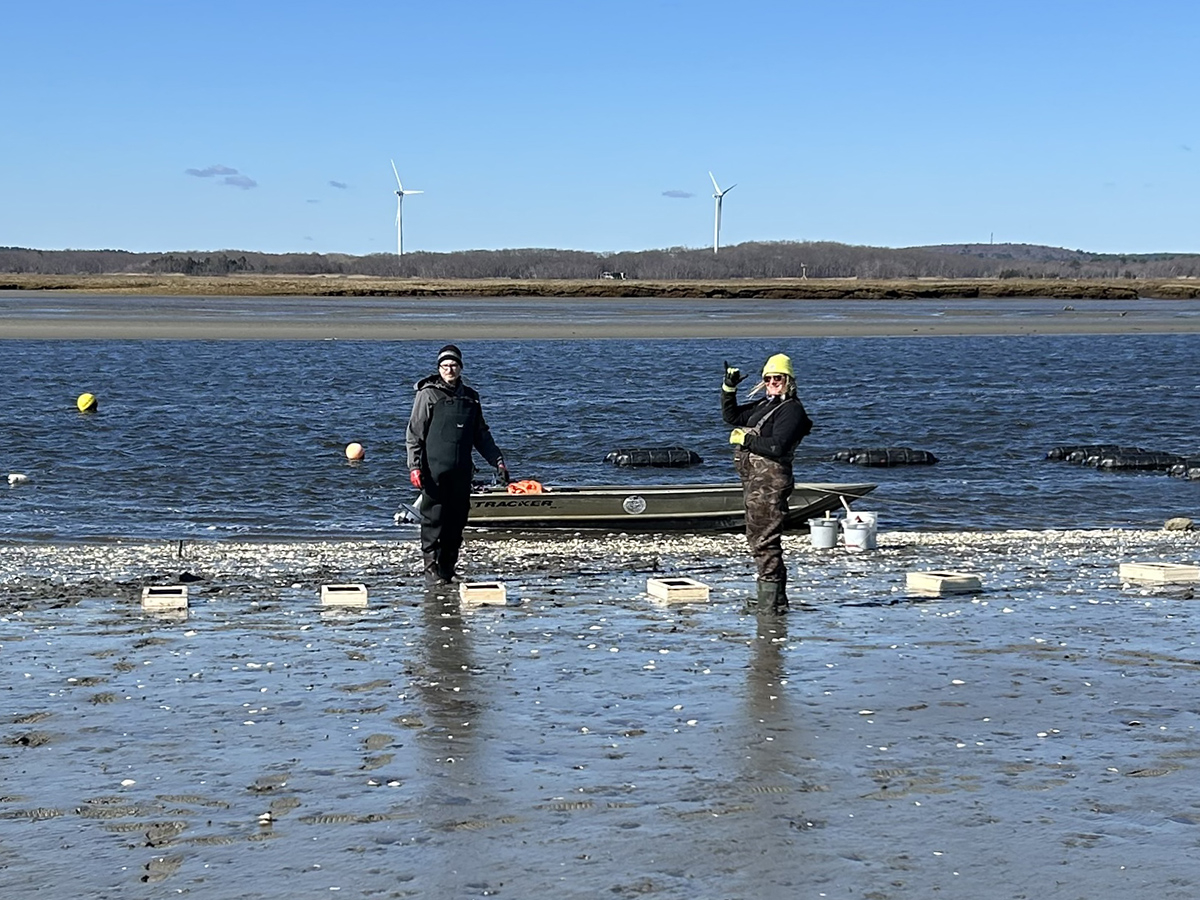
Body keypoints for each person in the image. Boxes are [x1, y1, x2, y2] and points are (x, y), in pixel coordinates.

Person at [406, 344, 510, 587]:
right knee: (433, 520)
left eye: (453, 365)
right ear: (439, 368)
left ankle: (448, 569)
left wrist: (498, 462)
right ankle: (431, 571)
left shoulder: (471, 397)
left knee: (456, 522)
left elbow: (481, 435)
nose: (449, 369)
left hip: (462, 471)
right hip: (433, 470)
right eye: (444, 366)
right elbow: (414, 434)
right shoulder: (427, 394)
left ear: (460, 367)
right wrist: (414, 467)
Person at [721, 353, 813, 614]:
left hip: (771, 482)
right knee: (757, 536)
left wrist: (746, 441)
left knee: (764, 540)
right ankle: (775, 599)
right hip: (754, 480)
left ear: (789, 380)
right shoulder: (766, 404)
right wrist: (729, 388)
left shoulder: (792, 410)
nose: (773, 382)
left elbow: (777, 446)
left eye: (778, 378)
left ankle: (769, 603)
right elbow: (732, 417)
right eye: (769, 378)